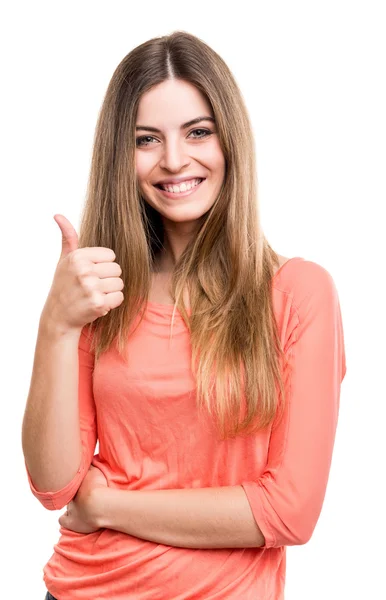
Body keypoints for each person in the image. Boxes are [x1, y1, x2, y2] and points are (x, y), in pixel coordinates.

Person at [22, 31, 347, 600]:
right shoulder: (103, 291)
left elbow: (290, 513)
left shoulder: (299, 292)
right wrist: (58, 325)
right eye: (147, 139)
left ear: (230, 140)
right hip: (81, 589)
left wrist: (107, 505)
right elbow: (54, 487)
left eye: (198, 132)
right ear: (121, 155)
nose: (174, 160)